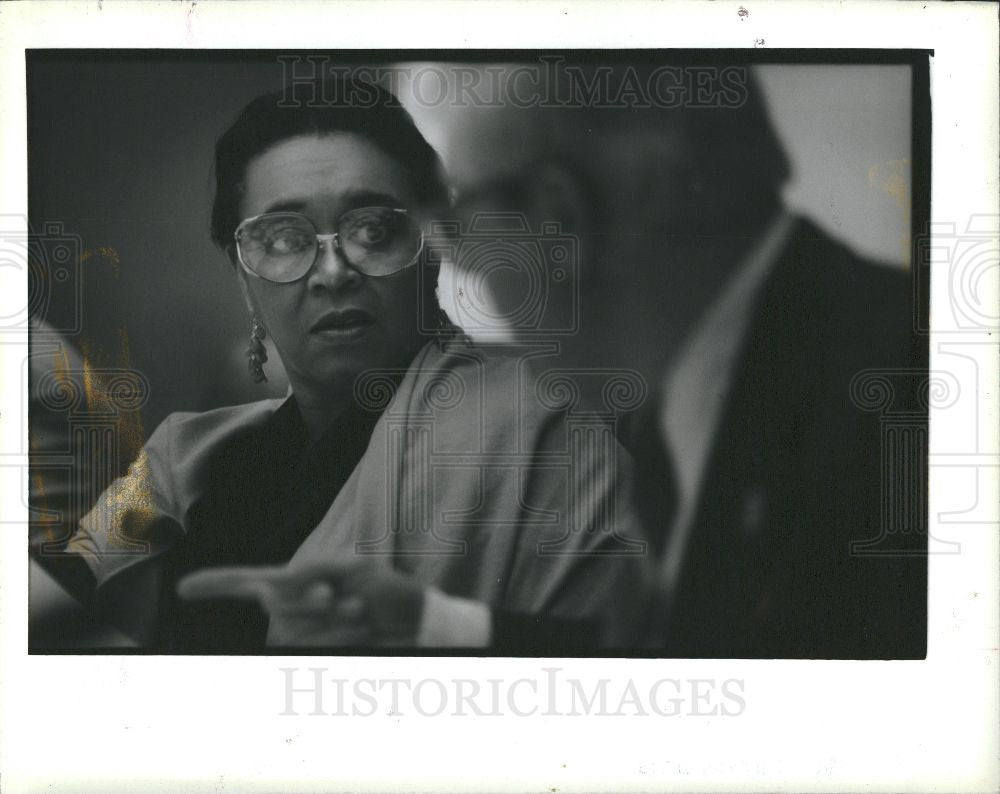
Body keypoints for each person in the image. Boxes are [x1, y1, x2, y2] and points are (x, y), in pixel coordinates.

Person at [58, 77, 651, 652]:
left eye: (372, 228)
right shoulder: (182, 455)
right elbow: (49, 611)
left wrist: (438, 628)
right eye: (285, 238)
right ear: (244, 275)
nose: (334, 271)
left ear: (432, 243)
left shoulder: (544, 423)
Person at [437, 62, 926, 658]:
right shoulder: (723, 392)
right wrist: (433, 622)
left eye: (458, 222)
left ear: (559, 218)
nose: (460, 264)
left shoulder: (896, 417)